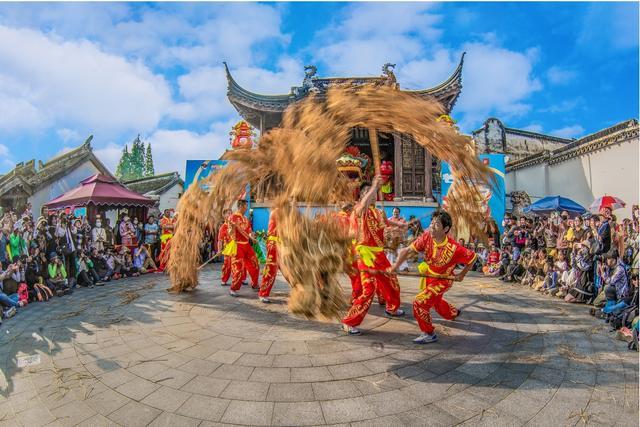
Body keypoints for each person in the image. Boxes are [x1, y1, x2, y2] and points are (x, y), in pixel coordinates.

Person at [391, 210, 476, 344]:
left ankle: (428, 333)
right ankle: (453, 313)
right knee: (436, 302)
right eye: (431, 223)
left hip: (443, 280)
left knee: (420, 302)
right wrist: (395, 267)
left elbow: (472, 258)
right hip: (430, 275)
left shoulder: (454, 248)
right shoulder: (426, 237)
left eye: (436, 225)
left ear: (446, 229)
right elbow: (407, 250)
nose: (431, 227)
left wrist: (461, 275)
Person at [341, 176, 405, 336]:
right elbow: (363, 206)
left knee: (392, 281)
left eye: (373, 192)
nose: (372, 194)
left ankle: (392, 308)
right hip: (365, 253)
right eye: (367, 192)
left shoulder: (378, 212)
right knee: (369, 289)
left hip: (379, 253)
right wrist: (374, 186)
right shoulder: (358, 210)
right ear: (362, 196)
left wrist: (400, 225)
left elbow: (387, 223)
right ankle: (349, 322)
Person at [227, 199, 259, 296]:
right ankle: (233, 288)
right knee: (239, 268)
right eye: (245, 206)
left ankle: (254, 284)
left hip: (247, 245)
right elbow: (229, 232)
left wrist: (253, 236)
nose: (246, 208)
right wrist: (232, 228)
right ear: (240, 206)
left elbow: (249, 231)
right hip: (238, 245)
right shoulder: (232, 217)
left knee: (255, 264)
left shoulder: (246, 219)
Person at [258, 209, 280, 303]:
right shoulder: (277, 212)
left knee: (274, 270)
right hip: (274, 244)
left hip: (279, 243)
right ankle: (263, 293)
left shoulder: (281, 211)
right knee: (271, 269)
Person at [217, 209, 233, 287]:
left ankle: (240, 279)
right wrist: (219, 250)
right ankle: (224, 279)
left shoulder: (235, 224)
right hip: (228, 248)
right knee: (227, 265)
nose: (230, 214)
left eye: (231, 213)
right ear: (224, 216)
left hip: (237, 247)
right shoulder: (223, 227)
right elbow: (220, 240)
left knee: (239, 264)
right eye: (228, 213)